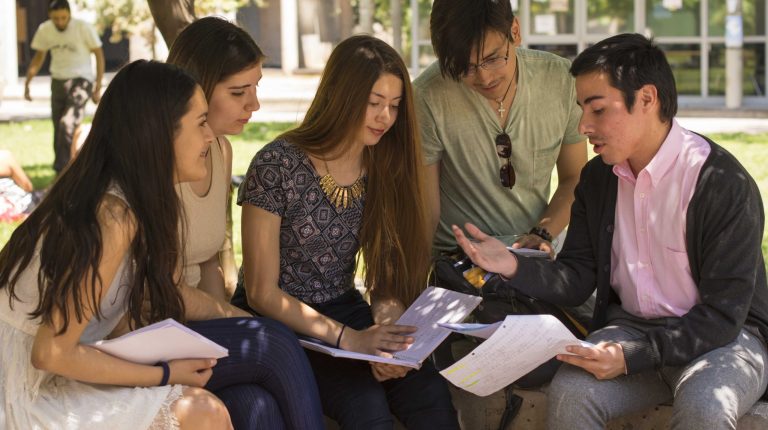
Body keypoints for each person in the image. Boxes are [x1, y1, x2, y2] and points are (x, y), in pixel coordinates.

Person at [452, 33, 768, 429]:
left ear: (648, 99)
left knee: (705, 405)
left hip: (722, 342)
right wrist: (512, 265)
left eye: (597, 110)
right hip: (631, 331)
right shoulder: (598, 179)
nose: (584, 125)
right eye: (582, 109)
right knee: (572, 392)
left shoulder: (721, 183)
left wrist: (632, 354)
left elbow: (723, 316)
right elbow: (577, 277)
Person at [0, 60, 324, 430]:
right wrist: (165, 372)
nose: (209, 136)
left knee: (253, 403)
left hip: (66, 370)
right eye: (200, 123)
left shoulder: (135, 202)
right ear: (159, 133)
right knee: (217, 400)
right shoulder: (111, 214)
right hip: (25, 390)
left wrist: (226, 321)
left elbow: (124, 316)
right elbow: (50, 352)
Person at [233, 35, 459, 429]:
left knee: (428, 390)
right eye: (374, 103)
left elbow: (384, 275)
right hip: (278, 323)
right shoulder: (276, 163)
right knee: (365, 403)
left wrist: (386, 337)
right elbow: (260, 292)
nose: (385, 118)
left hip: (343, 306)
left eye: (394, 106)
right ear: (341, 95)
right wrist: (351, 341)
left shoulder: (381, 162)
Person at [414, 0, 587, 256]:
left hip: (534, 252)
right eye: (465, 67)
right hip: (458, 257)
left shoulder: (561, 79)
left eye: (493, 58)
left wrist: (540, 235)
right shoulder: (427, 95)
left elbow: (575, 178)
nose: (484, 77)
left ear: (515, 32)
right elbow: (427, 210)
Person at [166, 16, 262, 303]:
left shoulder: (221, 151)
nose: (254, 104)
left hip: (195, 318)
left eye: (256, 87)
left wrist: (225, 329)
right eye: (238, 92)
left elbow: (209, 262)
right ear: (197, 87)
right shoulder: (154, 154)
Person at [24, 0, 104, 174]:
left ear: (69, 14)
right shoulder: (45, 30)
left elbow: (99, 55)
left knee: (66, 125)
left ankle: (65, 172)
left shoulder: (82, 28)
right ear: (49, 17)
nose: (60, 22)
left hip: (81, 81)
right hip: (58, 81)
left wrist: (98, 85)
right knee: (59, 129)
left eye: (63, 18)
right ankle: (66, 170)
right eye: (56, 19)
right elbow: (39, 57)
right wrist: (27, 82)